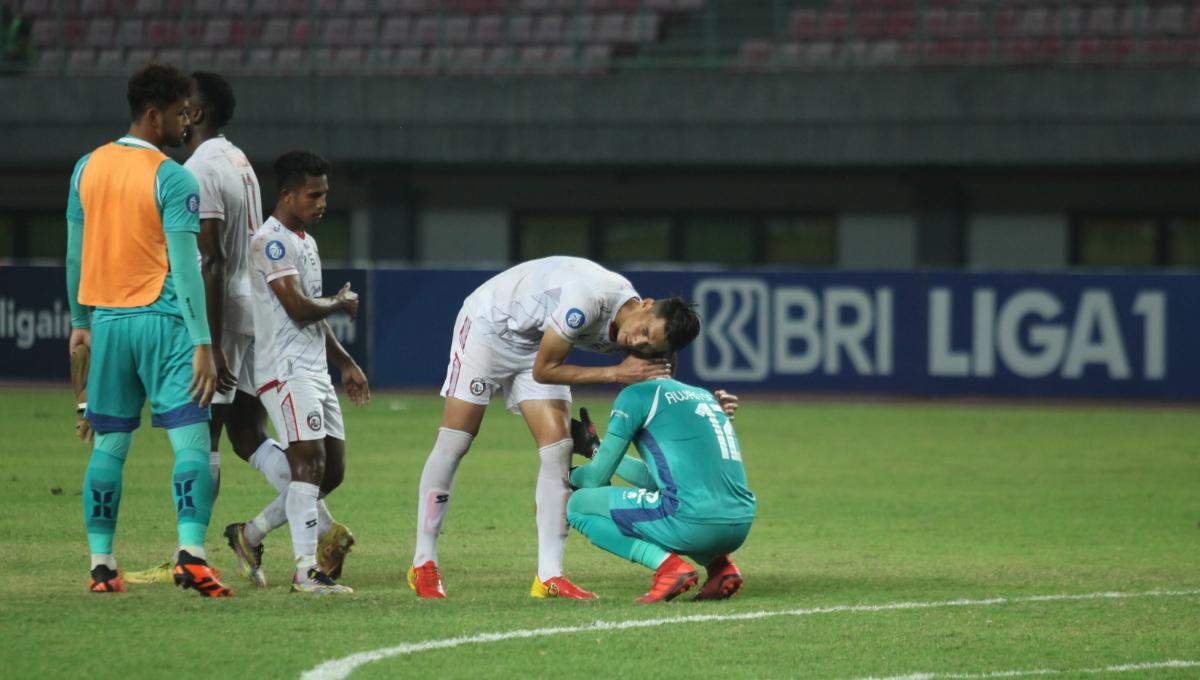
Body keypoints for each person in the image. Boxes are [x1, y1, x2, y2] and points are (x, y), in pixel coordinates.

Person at [123, 72, 353, 586]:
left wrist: (208, 339)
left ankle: (193, 553)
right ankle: (309, 528)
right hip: (252, 313)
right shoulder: (238, 158)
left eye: (185, 109)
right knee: (248, 434)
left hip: (222, 315)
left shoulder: (200, 167)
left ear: (197, 113)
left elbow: (210, 256)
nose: (180, 118)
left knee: (202, 438)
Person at [408, 256, 703, 599]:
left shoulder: (640, 331)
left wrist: (708, 413)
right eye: (644, 332)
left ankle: (549, 576)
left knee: (559, 449)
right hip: (489, 327)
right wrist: (615, 374)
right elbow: (545, 370)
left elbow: (660, 383)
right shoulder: (589, 300)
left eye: (650, 346)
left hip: (538, 344)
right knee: (456, 440)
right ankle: (423, 563)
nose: (638, 343)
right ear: (646, 305)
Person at [65, 63, 232, 597]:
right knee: (189, 440)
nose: (188, 124)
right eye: (182, 114)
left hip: (108, 324)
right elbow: (187, 268)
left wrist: (79, 325)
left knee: (108, 447)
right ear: (153, 114)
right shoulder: (172, 177)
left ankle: (102, 567)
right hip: (164, 323)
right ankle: (192, 556)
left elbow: (73, 256)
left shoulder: (85, 168)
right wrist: (204, 343)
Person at [229, 149, 368, 594]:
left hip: (313, 370)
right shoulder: (269, 242)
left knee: (332, 472)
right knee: (308, 462)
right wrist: (341, 303)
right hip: (284, 370)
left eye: (324, 194)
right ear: (287, 195)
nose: (322, 202)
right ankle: (306, 571)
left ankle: (248, 535)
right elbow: (297, 306)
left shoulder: (306, 241)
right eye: (313, 195)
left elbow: (313, 312)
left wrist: (344, 362)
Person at [567, 377, 756, 602]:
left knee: (578, 505)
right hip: (740, 522)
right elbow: (656, 479)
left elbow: (595, 479)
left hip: (694, 523)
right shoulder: (701, 396)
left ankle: (669, 568)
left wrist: (568, 475)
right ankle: (720, 567)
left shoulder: (638, 395)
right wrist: (595, 448)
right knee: (679, 500)